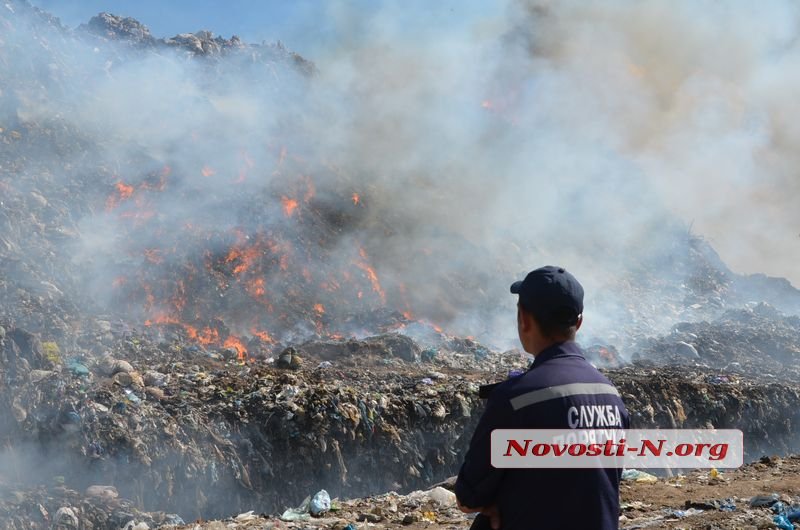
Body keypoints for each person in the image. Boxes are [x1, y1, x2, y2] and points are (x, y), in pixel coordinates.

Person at [455, 266, 630, 530]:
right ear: (579, 322)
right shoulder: (610, 395)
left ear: (524, 319)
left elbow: (468, 498)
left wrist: (496, 504)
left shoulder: (516, 399)